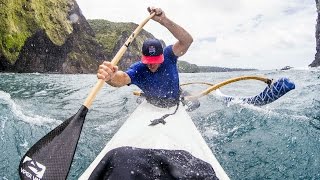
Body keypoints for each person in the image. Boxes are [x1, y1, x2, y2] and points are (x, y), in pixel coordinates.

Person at [97, 7, 193, 108]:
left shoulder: (169, 56)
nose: (151, 64)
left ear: (162, 56)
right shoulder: (139, 69)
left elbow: (187, 41)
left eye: (155, 60)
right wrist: (110, 77)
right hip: (153, 103)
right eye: (149, 61)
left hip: (175, 100)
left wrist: (164, 20)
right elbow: (123, 78)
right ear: (143, 57)